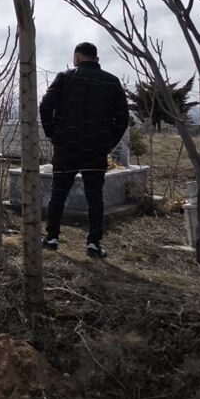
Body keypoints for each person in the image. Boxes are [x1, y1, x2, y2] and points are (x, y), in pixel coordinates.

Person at [39, 42, 130, 258]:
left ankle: (52, 237)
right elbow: (123, 118)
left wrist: (52, 134)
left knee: (58, 192)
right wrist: (108, 142)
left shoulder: (64, 78)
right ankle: (94, 243)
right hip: (96, 148)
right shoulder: (112, 81)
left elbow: (45, 105)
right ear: (96, 59)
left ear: (77, 58)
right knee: (94, 196)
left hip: (66, 146)